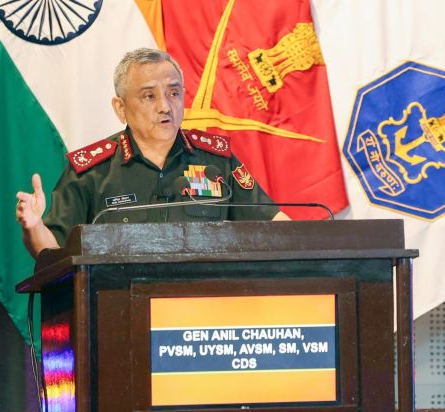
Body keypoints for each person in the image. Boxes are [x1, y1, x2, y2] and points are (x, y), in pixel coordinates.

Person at [15, 48, 288, 257]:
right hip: (121, 313)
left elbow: (277, 226)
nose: (165, 107)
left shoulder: (216, 161)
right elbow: (52, 254)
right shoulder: (92, 172)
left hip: (205, 311)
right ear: (120, 108)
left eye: (173, 93)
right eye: (149, 96)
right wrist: (33, 226)